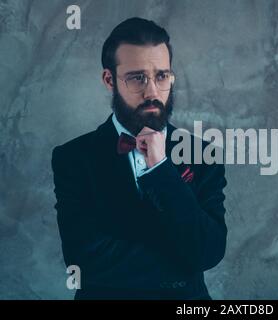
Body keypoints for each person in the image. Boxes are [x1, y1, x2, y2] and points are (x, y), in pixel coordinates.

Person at [51, 17, 227, 300]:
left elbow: (208, 251)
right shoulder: (72, 158)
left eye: (161, 76)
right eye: (137, 77)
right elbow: (82, 258)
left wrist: (161, 169)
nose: (152, 92)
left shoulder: (205, 155)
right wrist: (180, 267)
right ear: (110, 80)